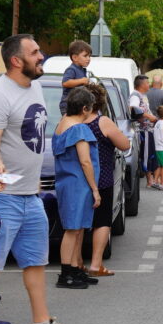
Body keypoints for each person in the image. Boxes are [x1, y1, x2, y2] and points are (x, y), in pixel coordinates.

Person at [0, 34, 82, 324]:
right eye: (35, 52)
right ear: (16, 60)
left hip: (29, 195)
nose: (42, 55)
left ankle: (41, 323)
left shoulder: (34, 86)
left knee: (35, 261)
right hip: (3, 195)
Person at [53, 87, 98, 290]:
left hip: (66, 181)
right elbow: (86, 161)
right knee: (72, 229)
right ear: (85, 108)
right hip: (78, 184)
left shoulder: (61, 124)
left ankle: (75, 268)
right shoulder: (79, 129)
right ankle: (66, 274)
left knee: (77, 227)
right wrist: (95, 189)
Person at [83, 83, 131, 278]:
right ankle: (95, 263)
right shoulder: (102, 122)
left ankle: (73, 263)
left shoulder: (70, 121)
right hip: (101, 178)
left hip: (76, 180)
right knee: (102, 221)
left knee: (75, 225)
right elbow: (125, 145)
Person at [129, 75, 158, 187]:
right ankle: (149, 180)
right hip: (143, 130)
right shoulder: (135, 96)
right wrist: (148, 116)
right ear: (141, 85)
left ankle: (151, 179)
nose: (148, 85)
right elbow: (133, 108)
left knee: (150, 154)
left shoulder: (143, 95)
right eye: (147, 83)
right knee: (146, 155)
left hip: (149, 129)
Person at [60, 40, 92, 114]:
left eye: (89, 56)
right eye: (85, 56)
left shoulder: (82, 70)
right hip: (68, 105)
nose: (88, 59)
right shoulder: (72, 69)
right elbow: (65, 82)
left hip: (77, 105)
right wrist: (82, 81)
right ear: (75, 57)